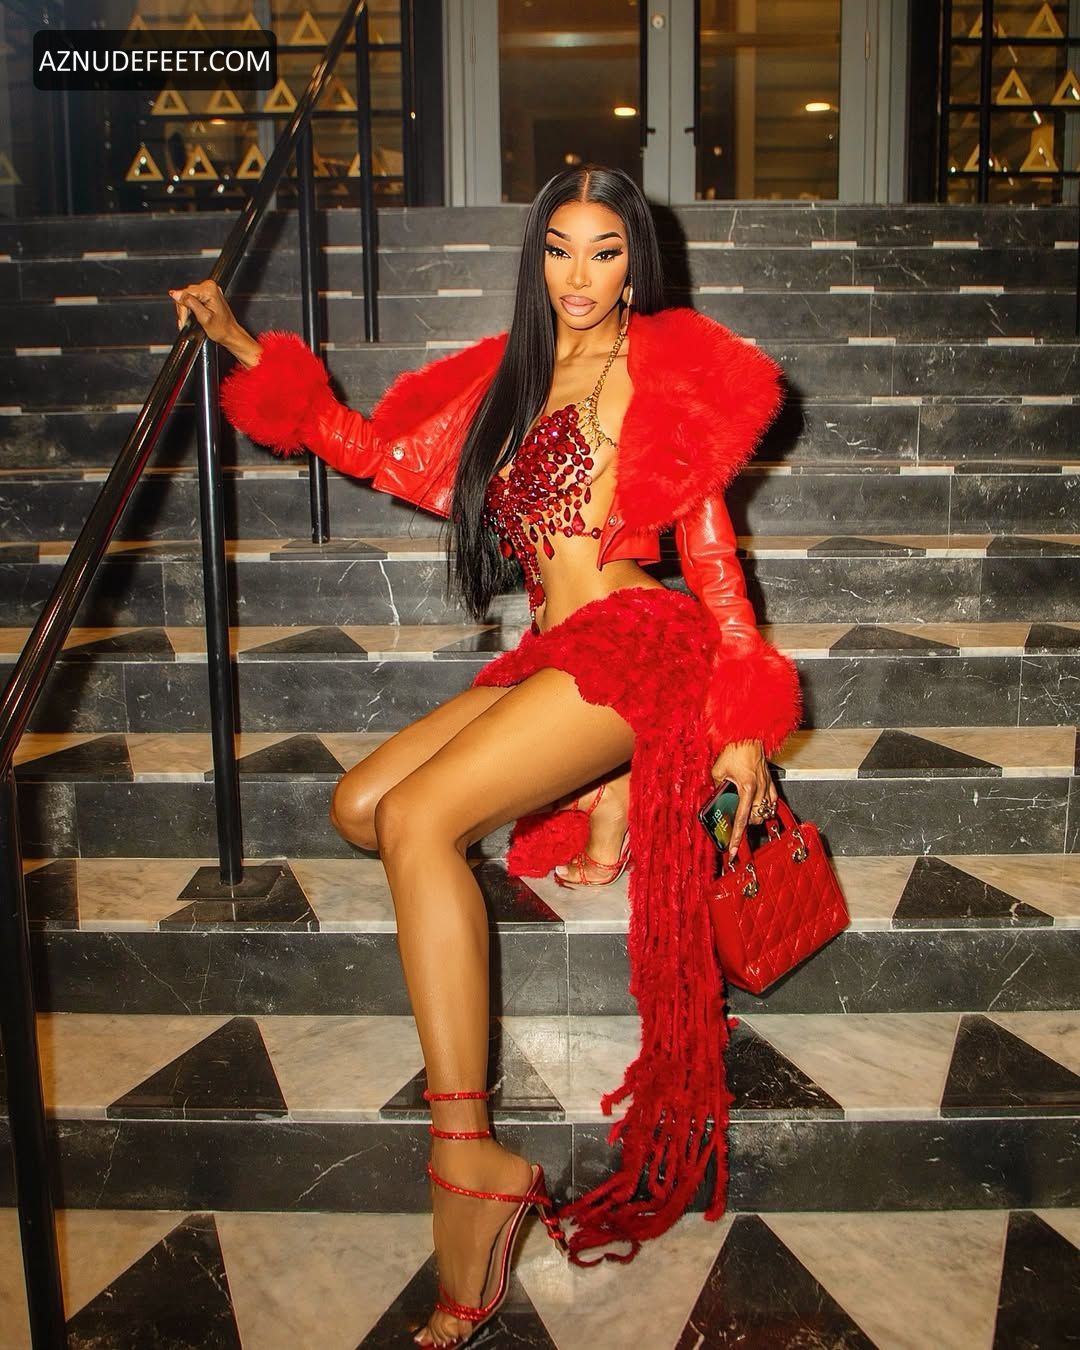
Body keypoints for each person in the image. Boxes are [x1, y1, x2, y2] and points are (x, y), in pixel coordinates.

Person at [169, 164, 802, 1350]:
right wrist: (251, 352)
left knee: (422, 823)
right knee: (363, 805)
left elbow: (713, 557)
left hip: (642, 641)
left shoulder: (663, 366)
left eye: (604, 250)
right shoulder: (511, 377)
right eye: (558, 248)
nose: (579, 275)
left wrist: (743, 718)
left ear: (637, 262)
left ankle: (468, 1161)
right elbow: (379, 454)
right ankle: (604, 781)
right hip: (556, 654)